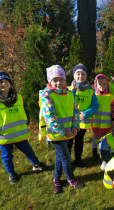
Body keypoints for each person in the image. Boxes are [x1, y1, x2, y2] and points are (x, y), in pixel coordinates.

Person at [0, 70, 45, 184]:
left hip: (19, 132)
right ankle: (12, 173)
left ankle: (36, 164)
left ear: (10, 82)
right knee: (6, 156)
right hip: (4, 136)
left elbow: (24, 110)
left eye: (6, 81)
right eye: (0, 82)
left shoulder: (18, 97)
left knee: (28, 150)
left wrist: (26, 120)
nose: (4, 84)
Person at [39, 65, 84, 193]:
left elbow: (75, 111)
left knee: (60, 157)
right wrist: (65, 131)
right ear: (50, 81)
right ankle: (70, 178)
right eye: (55, 80)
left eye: (61, 79)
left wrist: (75, 126)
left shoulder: (69, 94)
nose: (58, 83)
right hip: (56, 134)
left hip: (69, 132)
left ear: (65, 80)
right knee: (66, 157)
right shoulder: (47, 96)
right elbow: (50, 118)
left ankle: (57, 179)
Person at [68, 64, 100, 169]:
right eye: (78, 74)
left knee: (79, 142)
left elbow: (95, 105)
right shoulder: (69, 90)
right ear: (74, 76)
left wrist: (86, 114)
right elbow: (68, 103)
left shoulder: (90, 91)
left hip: (82, 122)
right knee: (69, 142)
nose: (80, 76)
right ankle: (67, 162)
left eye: (83, 74)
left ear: (86, 76)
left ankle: (78, 160)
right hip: (70, 122)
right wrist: (73, 91)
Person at [91, 74, 114, 159]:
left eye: (104, 84)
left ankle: (105, 151)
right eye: (99, 84)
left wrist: (113, 119)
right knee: (96, 136)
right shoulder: (93, 95)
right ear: (96, 84)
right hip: (95, 121)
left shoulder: (110, 96)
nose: (102, 86)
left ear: (107, 85)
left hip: (106, 122)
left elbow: (113, 108)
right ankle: (94, 151)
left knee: (106, 137)